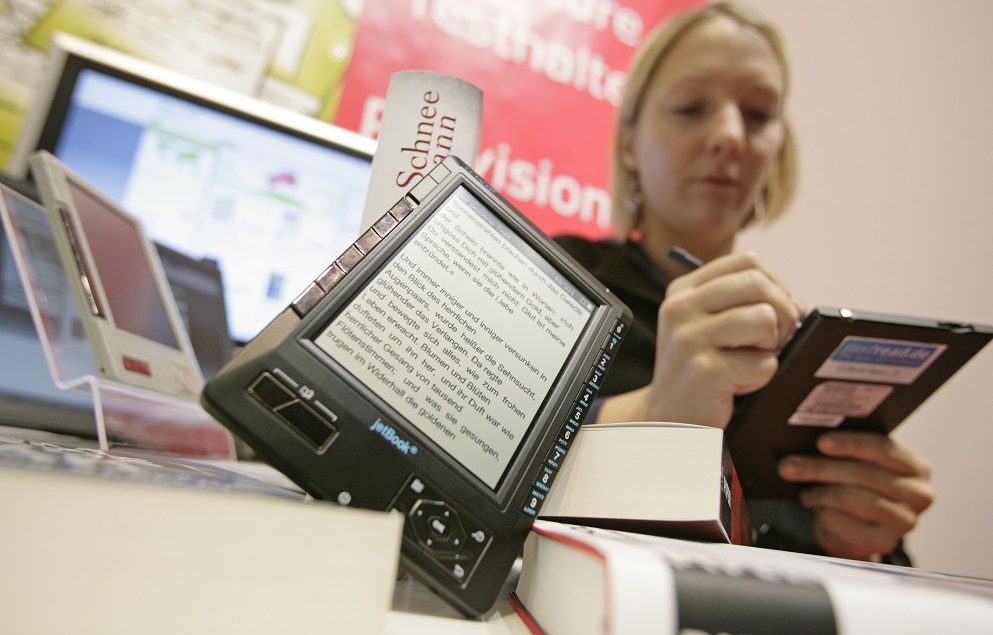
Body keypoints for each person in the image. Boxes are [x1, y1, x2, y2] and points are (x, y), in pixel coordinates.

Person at [555, 2, 933, 564]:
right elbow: (475, 467)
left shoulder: (799, 347)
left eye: (758, 114)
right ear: (630, 141)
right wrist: (654, 413)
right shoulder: (553, 280)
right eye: (690, 107)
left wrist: (873, 542)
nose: (730, 136)